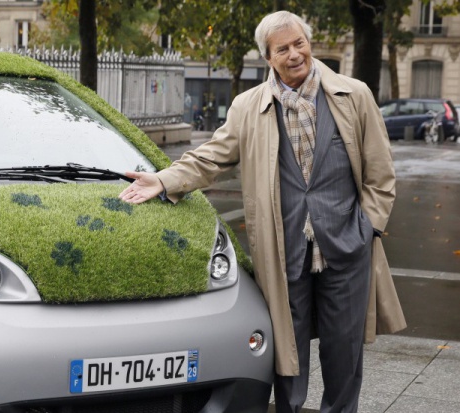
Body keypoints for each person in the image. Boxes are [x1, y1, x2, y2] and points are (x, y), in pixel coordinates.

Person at [118, 11, 406, 413]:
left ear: (310, 43)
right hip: (283, 250)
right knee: (288, 357)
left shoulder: (353, 95)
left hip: (347, 247)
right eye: (282, 49)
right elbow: (209, 158)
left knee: (345, 354)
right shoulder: (248, 107)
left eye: (299, 43)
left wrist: (368, 230)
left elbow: (381, 174)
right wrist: (164, 180)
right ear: (268, 58)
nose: (294, 54)